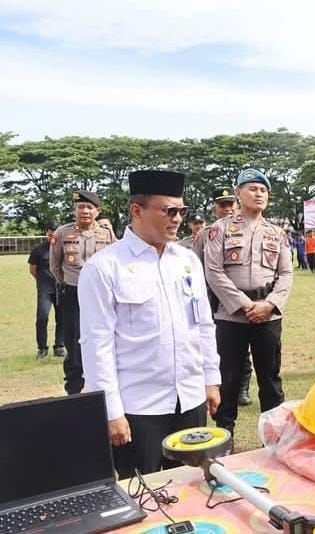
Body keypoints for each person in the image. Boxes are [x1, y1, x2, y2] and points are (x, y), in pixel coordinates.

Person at [78, 170, 221, 478]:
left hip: (190, 397)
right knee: (144, 497)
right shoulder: (104, 267)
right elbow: (96, 345)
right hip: (138, 405)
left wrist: (211, 378)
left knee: (192, 486)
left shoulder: (187, 261)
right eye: (168, 210)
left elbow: (203, 325)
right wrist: (111, 410)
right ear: (136, 211)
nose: (177, 218)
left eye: (181, 211)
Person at [203, 169, 294, 436]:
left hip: (268, 315)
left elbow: (287, 273)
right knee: (228, 378)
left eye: (263, 190)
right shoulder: (219, 229)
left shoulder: (277, 233)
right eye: (252, 189)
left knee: (270, 379)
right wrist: (244, 304)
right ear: (238, 193)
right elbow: (214, 272)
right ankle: (225, 436)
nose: (259, 194)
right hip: (231, 316)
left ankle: (274, 436)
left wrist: (270, 304)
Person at [50, 190, 117, 394]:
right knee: (74, 342)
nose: (85, 211)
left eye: (89, 207)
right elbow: (55, 266)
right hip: (73, 294)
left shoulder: (107, 234)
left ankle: (105, 387)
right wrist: (71, 283)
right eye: (80, 207)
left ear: (98, 211)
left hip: (102, 295)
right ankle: (75, 391)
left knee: (105, 337)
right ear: (74, 210)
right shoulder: (62, 233)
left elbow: (116, 261)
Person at [194, 188, 254, 407]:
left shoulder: (247, 230)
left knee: (245, 349)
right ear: (215, 209)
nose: (228, 209)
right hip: (215, 300)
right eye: (222, 205)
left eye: (231, 204)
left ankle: (243, 389)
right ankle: (222, 387)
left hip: (244, 299)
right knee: (222, 347)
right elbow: (198, 267)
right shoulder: (205, 234)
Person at [28, 225, 65, 359]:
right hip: (45, 290)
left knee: (62, 318)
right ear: (47, 234)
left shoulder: (64, 248)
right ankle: (42, 348)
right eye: (50, 235)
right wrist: (42, 282)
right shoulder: (38, 250)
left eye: (55, 235)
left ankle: (59, 346)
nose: (52, 238)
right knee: (42, 318)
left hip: (61, 288)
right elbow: (33, 270)